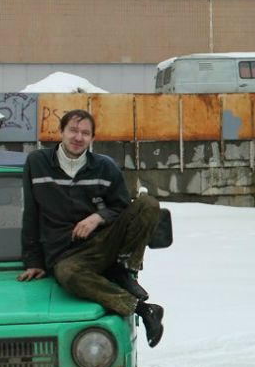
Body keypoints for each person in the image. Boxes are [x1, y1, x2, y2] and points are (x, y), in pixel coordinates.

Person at [19, 109, 165, 347]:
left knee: (147, 204)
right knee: (68, 275)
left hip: (105, 245)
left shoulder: (105, 167)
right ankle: (144, 309)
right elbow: (31, 214)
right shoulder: (37, 163)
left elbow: (122, 207)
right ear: (61, 132)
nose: (78, 137)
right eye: (73, 130)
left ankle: (124, 270)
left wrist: (97, 218)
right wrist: (33, 261)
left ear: (92, 138)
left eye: (85, 133)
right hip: (65, 255)